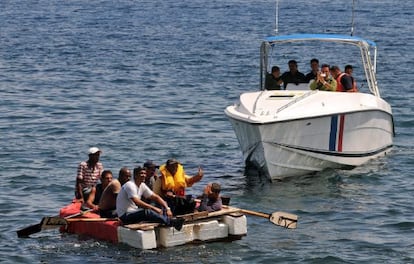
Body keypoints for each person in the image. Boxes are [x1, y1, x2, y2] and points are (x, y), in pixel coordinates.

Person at [116, 167, 184, 231]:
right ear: (136, 176)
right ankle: (172, 222)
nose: (144, 175)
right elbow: (137, 202)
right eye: (141, 173)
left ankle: (169, 219)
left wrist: (167, 208)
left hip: (134, 212)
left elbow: (156, 197)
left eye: (145, 173)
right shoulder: (130, 185)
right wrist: (154, 208)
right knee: (147, 211)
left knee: (159, 207)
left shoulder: (142, 185)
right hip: (124, 216)